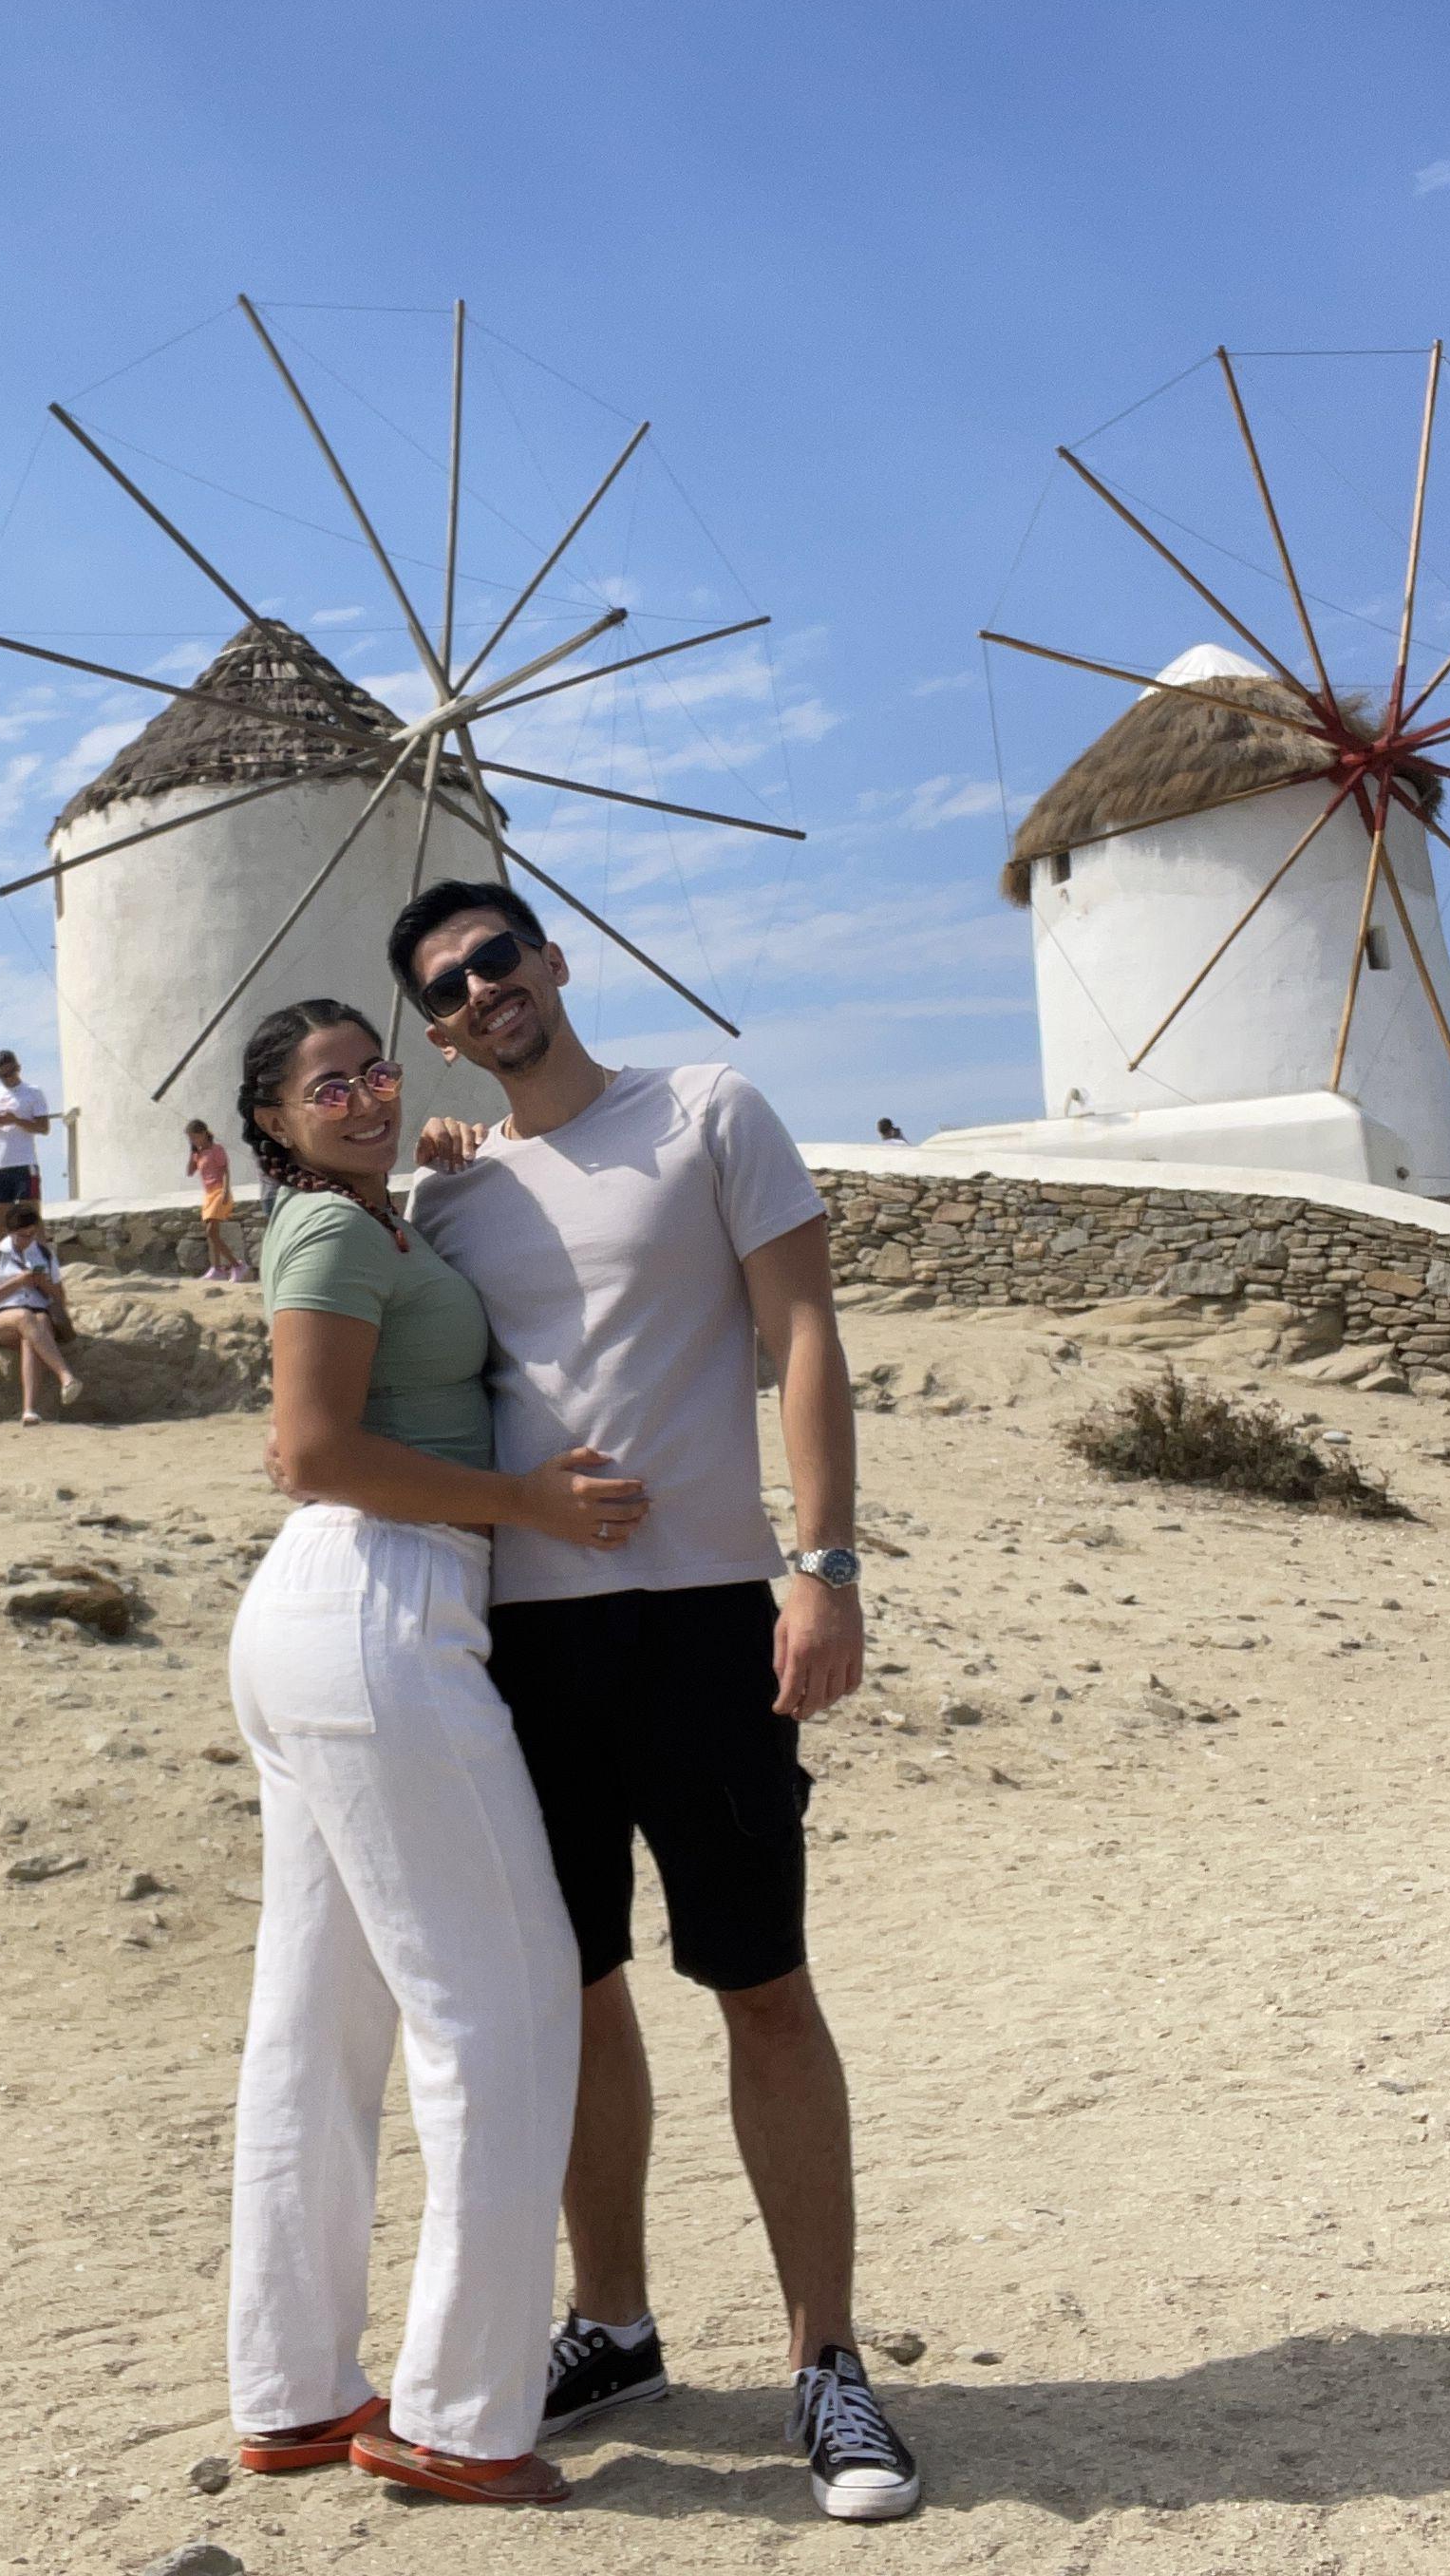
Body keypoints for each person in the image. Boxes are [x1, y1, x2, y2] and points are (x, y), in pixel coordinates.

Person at [385, 877, 925, 2524]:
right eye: (447, 988)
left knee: (759, 1979)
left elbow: (802, 1328)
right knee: (574, 1990)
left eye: (497, 958)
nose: (481, 993)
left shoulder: (705, 1109)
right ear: (434, 1030)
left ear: (554, 960)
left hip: (701, 1620)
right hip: (521, 1648)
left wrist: (821, 1563)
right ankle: (608, 2321)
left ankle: (825, 2359)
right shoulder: (449, 1202)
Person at [225, 996, 650, 2509]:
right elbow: (310, 1450)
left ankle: (292, 2391)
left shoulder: (376, 1220)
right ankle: (464, 2416)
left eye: (374, 1069)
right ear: (271, 1120)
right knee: (509, 2004)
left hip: (331, 1617)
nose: (361, 1094)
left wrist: (450, 1161)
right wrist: (529, 1506)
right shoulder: (333, 1240)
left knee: (319, 2019)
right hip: (380, 1602)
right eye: (325, 1084)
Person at [0, 1200, 80, 1424]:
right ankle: (65, 1375)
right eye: (23, 1235)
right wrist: (17, 1282)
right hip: (2, 1316)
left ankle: (29, 1410)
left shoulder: (43, 1253)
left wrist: (43, 1284)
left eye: (32, 1234)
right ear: (11, 1232)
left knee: (35, 1326)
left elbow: (59, 1297)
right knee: (25, 1317)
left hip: (37, 1313)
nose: (28, 1240)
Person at [0, 1050, 51, 1210]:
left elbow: (44, 1128)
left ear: (18, 1068)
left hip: (24, 1163)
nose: (7, 1078)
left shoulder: (33, 1093)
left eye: (10, 1073)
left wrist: (15, 1120)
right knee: (0, 1220)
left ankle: (38, 1237)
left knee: (30, 1216)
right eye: (2, 1075)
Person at [185, 1119, 252, 1283]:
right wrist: (192, 1152)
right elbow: (189, 1172)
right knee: (212, 1234)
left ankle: (237, 1265)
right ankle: (217, 1269)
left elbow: (225, 1170)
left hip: (219, 1192)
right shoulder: (198, 1154)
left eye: (194, 1137)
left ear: (203, 1134)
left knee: (211, 1232)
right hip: (208, 1195)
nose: (192, 1141)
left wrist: (226, 1191)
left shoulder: (217, 1150)